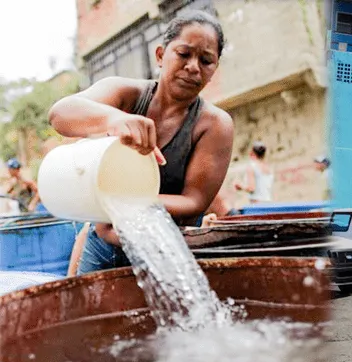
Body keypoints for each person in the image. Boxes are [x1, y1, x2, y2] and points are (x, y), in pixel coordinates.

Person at [48, 10, 234, 275]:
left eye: (206, 60)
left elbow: (193, 201)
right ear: (160, 55)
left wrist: (121, 204)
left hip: (165, 250)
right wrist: (111, 118)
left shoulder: (214, 125)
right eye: (184, 54)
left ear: (213, 70)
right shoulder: (126, 94)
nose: (193, 66)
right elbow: (59, 114)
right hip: (104, 248)